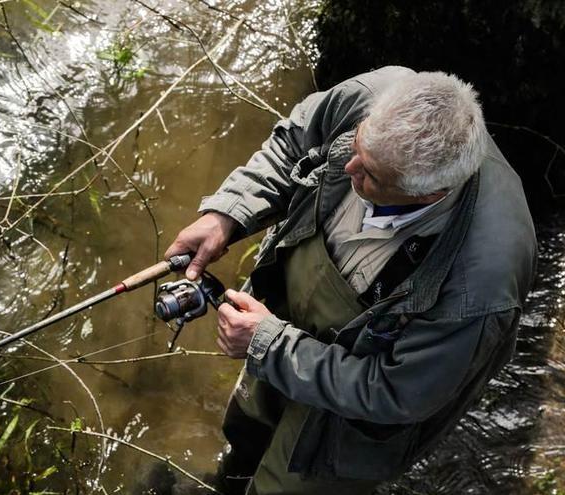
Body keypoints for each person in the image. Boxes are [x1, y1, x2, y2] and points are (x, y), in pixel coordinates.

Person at [164, 66, 537, 494]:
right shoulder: (377, 95)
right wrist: (229, 211)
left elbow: (395, 393)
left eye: (371, 175)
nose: (348, 164)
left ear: (428, 194)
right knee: (246, 429)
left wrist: (267, 343)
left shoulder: (481, 284)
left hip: (350, 412)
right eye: (357, 142)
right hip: (278, 319)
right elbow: (295, 143)